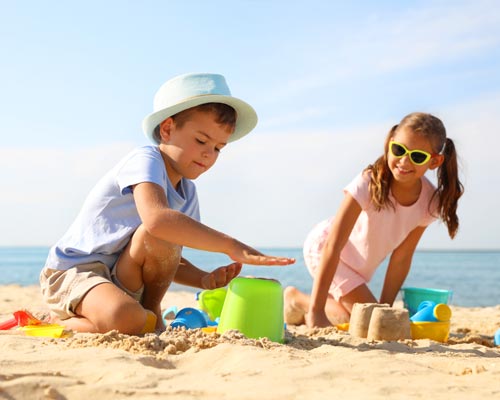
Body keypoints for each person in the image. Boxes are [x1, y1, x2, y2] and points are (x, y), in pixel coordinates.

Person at [40, 72, 295, 335]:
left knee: (136, 316)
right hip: (77, 271)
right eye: (201, 141)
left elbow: (167, 254)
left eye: (219, 148)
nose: (209, 154)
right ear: (167, 129)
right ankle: (56, 322)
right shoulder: (145, 159)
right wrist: (231, 246)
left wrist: (203, 278)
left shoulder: (187, 192)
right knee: (125, 316)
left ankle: (148, 314)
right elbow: (157, 221)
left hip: (122, 274)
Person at [284, 112, 463, 328]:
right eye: (399, 150)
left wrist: (383, 311)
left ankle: (297, 301)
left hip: (357, 266)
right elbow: (334, 243)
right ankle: (301, 302)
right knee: (360, 320)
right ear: (390, 144)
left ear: (434, 161)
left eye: (417, 157)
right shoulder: (369, 181)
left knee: (373, 320)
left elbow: (402, 258)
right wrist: (317, 311)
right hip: (325, 249)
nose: (404, 161)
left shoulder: (429, 202)